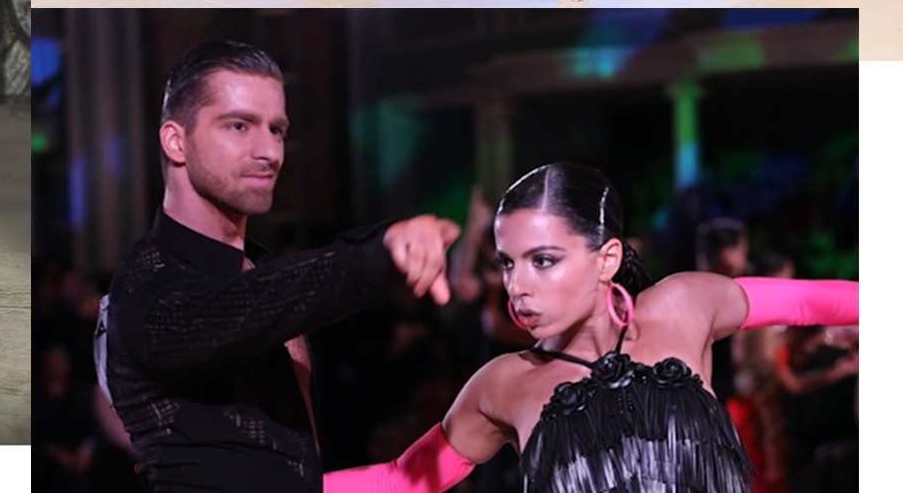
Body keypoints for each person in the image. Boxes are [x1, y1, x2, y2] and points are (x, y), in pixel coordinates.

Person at [323, 164, 864, 493]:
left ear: (606, 259)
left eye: (543, 260)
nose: (517, 285)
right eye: (507, 263)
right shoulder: (503, 384)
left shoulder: (683, 305)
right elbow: (398, 480)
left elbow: (824, 301)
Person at [96, 37, 463, 490]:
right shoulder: (148, 289)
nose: (269, 152)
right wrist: (379, 250)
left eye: (277, 129)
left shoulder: (256, 269)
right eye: (239, 126)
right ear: (176, 141)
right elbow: (237, 309)